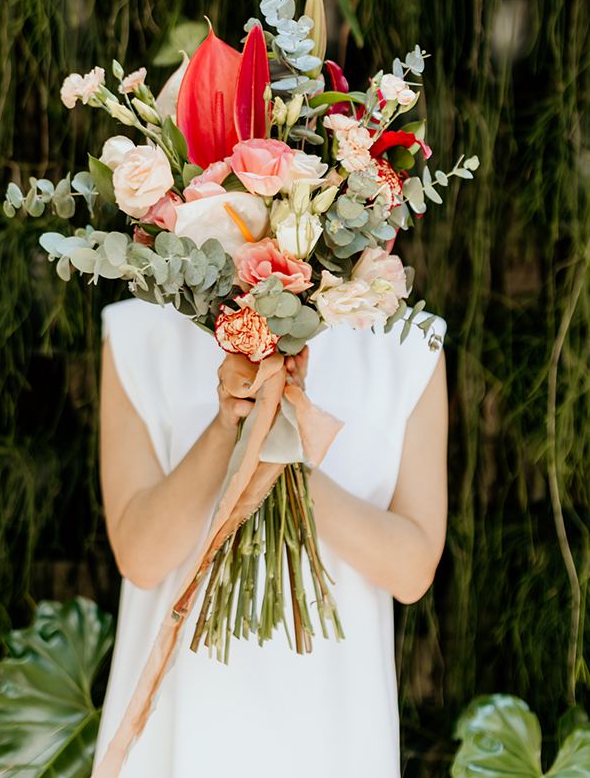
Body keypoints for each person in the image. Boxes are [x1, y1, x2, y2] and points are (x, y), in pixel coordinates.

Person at [94, 296, 448, 778]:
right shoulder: (144, 332)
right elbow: (140, 557)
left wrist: (283, 449)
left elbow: (412, 570)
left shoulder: (406, 342)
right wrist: (230, 425)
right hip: (186, 715)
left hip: (332, 724)